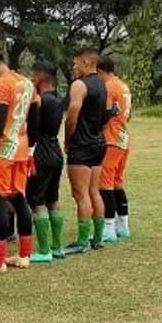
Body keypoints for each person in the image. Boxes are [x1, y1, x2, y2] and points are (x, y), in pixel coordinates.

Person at [0, 50, 38, 272]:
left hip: (3, 150)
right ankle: (24, 255)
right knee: (19, 199)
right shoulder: (26, 83)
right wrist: (31, 147)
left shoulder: (0, 85)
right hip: (21, 148)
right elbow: (34, 116)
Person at [63, 47, 111, 254]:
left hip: (81, 145)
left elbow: (72, 113)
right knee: (93, 191)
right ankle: (98, 237)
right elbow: (106, 113)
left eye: (75, 64)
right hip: (98, 143)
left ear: (86, 63)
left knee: (80, 193)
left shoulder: (79, 85)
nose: (73, 68)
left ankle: (82, 241)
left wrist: (68, 137)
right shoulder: (102, 84)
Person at [27, 62, 66, 263]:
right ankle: (57, 246)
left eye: (33, 75)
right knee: (53, 198)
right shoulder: (58, 98)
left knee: (38, 201)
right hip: (55, 150)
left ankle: (43, 250)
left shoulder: (40, 100)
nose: (30, 78)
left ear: (42, 78)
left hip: (40, 152)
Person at [98, 57, 132, 241]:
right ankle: (123, 225)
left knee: (106, 184)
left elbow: (106, 112)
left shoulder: (109, 87)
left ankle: (109, 228)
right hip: (124, 138)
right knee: (117, 183)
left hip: (111, 139)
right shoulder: (123, 85)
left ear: (101, 72)